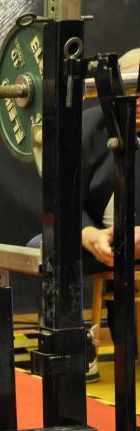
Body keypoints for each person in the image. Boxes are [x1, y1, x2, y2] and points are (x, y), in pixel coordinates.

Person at [28, 48, 140, 383]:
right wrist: (89, 236)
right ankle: (74, 347)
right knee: (45, 245)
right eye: (129, 90)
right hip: (103, 239)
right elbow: (62, 198)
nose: (136, 100)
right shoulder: (85, 126)